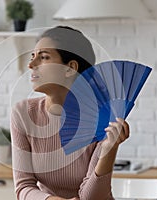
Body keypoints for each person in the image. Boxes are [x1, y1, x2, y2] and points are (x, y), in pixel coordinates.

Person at [10, 26, 130, 200]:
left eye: (43, 57)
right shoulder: (24, 113)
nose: (31, 65)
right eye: (32, 57)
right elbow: (23, 187)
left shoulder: (104, 119)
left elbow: (92, 197)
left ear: (70, 68)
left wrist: (108, 150)